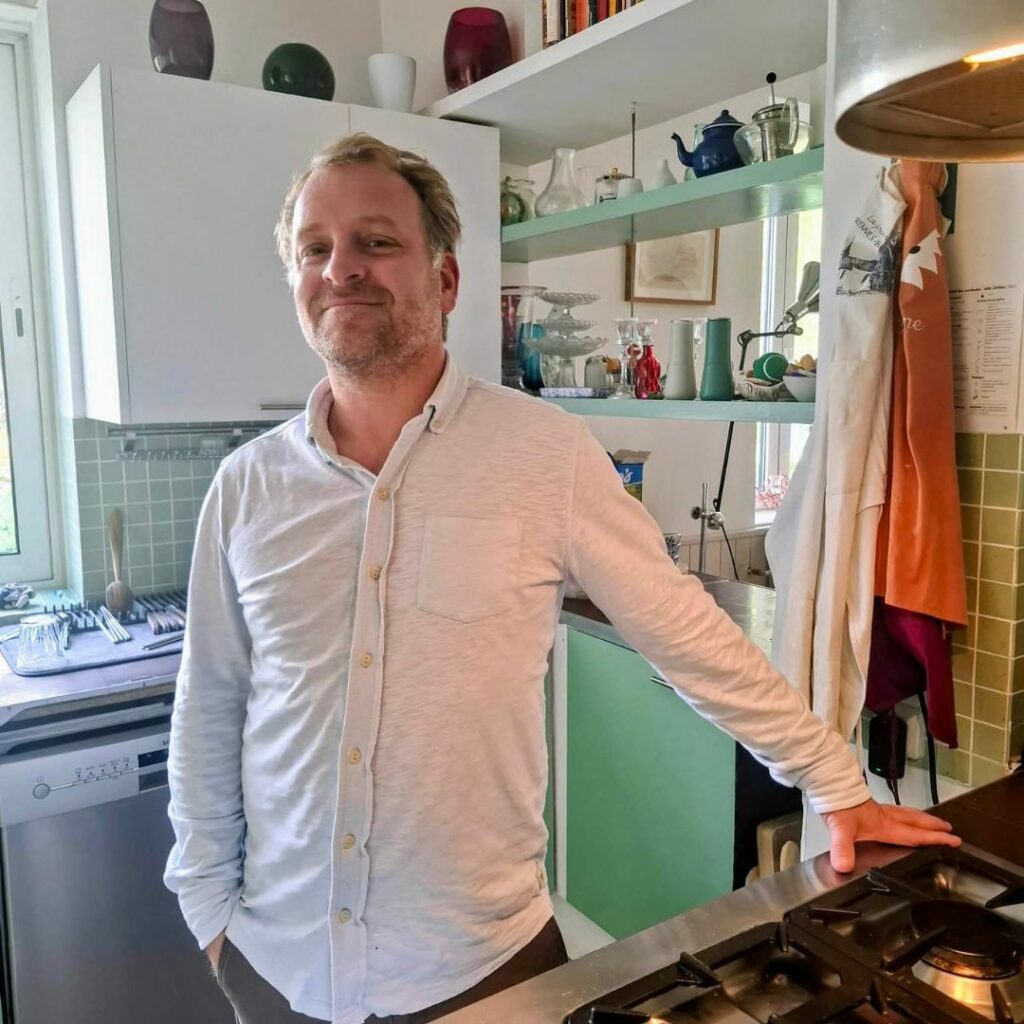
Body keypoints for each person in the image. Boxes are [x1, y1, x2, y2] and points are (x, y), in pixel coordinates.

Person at [164, 133, 960, 1024]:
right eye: (316, 248)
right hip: (279, 971)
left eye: (376, 242)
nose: (340, 268)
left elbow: (684, 630)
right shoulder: (246, 487)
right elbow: (210, 706)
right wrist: (208, 911)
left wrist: (833, 779)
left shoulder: (545, 456)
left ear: (446, 280)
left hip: (487, 969)